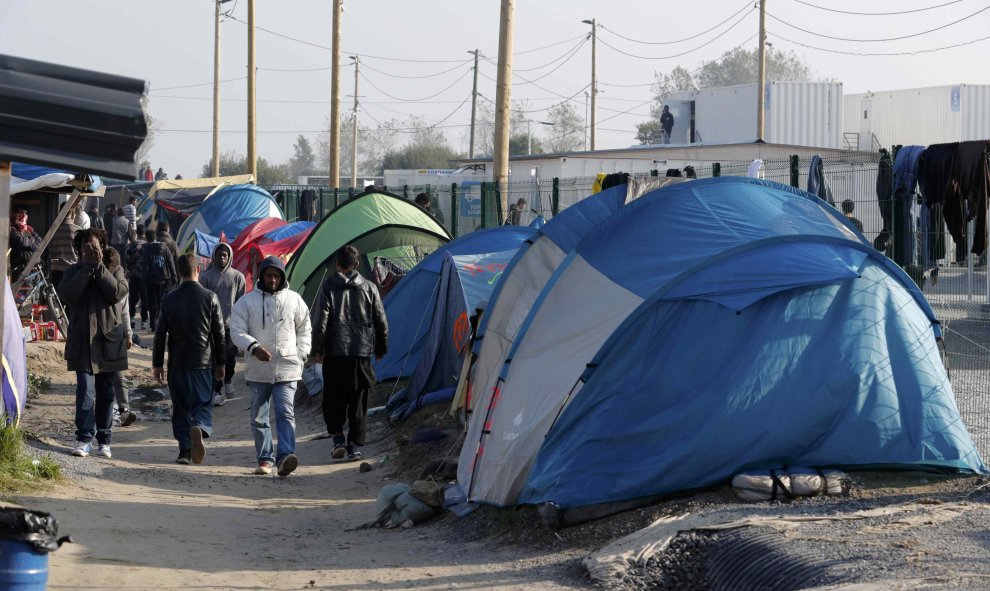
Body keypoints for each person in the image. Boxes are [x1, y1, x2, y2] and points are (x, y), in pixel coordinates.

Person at [231, 256, 311, 476]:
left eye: (276, 275)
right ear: (262, 276)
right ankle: (265, 459)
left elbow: (305, 328)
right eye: (269, 275)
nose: (273, 279)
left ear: (282, 277)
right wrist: (253, 347)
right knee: (259, 416)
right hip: (258, 371)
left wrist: (302, 354)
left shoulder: (294, 300)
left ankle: (285, 456)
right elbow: (236, 330)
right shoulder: (247, 302)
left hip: (287, 367)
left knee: (285, 412)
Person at [310, 245, 388, 461]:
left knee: (333, 397)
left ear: (337, 264)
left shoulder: (328, 286)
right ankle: (354, 446)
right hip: (361, 352)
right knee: (358, 399)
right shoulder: (370, 287)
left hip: (335, 352)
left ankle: (337, 438)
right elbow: (380, 321)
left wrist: (317, 349)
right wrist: (380, 348)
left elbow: (321, 321)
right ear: (356, 265)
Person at [58, 228, 129, 459]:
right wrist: (87, 269)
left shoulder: (115, 270)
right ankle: (84, 439)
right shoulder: (73, 271)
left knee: (106, 393)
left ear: (103, 247)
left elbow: (117, 292)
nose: (89, 249)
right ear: (78, 249)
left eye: (94, 246)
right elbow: (68, 295)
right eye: (85, 246)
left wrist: (98, 268)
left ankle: (104, 440)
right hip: (82, 343)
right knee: (85, 392)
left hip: (108, 342)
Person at [152, 254, 225, 465]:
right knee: (203, 402)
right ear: (198, 271)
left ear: (178, 273)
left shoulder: (169, 298)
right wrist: (220, 364)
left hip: (177, 363)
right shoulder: (210, 297)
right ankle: (200, 426)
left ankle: (184, 451)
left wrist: (157, 364)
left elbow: (160, 334)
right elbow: (219, 334)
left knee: (180, 407)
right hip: (202, 362)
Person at [199, 243, 246, 406]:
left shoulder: (237, 277)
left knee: (230, 357)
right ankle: (217, 390)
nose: (222, 257)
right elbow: (202, 301)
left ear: (229, 256)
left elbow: (241, 302)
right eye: (219, 255)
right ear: (214, 256)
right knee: (215, 358)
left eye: (225, 255)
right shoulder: (205, 277)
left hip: (231, 324)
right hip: (212, 325)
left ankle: (228, 380)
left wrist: (242, 323)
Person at [141, 228, 177, 331]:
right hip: (164, 279)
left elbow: (145, 266)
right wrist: (174, 277)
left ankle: (153, 325)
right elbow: (171, 262)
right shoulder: (165, 247)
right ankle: (163, 324)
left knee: (152, 303)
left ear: (147, 239)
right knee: (163, 302)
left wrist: (143, 281)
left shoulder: (147, 249)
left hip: (151, 280)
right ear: (155, 237)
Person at [49, 203, 80, 289]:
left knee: (57, 297)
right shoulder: (78, 230)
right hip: (72, 268)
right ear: (72, 214)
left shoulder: (53, 229)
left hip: (56, 268)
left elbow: (49, 248)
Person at [123, 226, 147, 329]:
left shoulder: (130, 246)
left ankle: (132, 318)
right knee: (144, 299)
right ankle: (144, 322)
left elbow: (126, 260)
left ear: (136, 233)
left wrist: (130, 270)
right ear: (144, 233)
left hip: (133, 276)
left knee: (132, 298)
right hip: (145, 277)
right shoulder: (147, 245)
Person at [9, 209, 42, 279]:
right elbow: (21, 242)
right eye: (21, 217)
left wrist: (30, 242)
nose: (23, 220)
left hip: (34, 267)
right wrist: (32, 241)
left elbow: (40, 242)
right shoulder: (13, 229)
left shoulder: (29, 229)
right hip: (21, 269)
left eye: (24, 217)